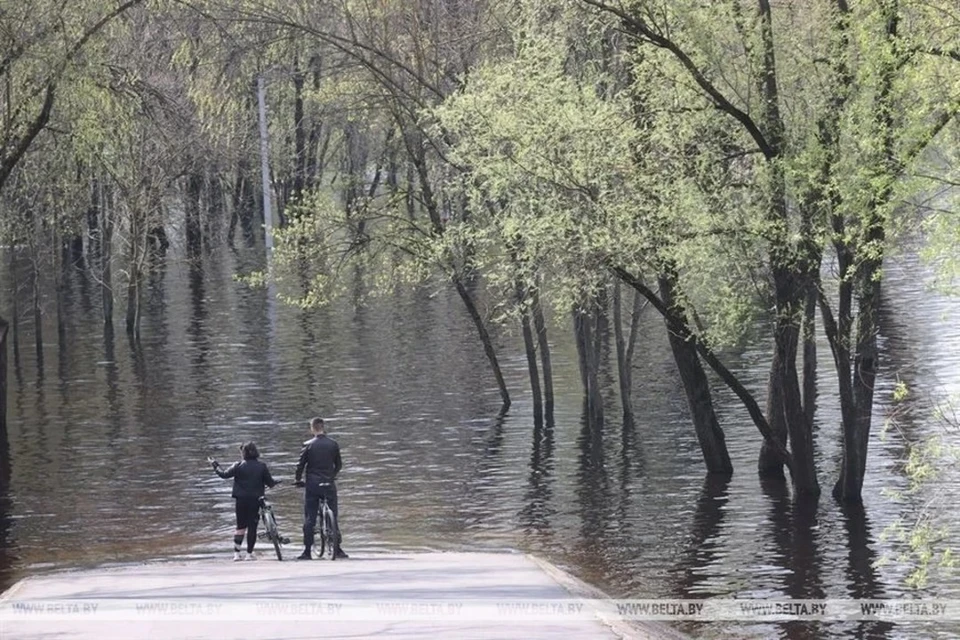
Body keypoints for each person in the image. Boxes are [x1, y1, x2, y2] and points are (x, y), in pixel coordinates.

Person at [209, 442, 279, 561]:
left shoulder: (238, 465)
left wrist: (215, 465)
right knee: (252, 527)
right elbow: (270, 483)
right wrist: (275, 483)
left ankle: (236, 554)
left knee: (240, 526)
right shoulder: (262, 466)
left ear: (243, 453)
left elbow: (223, 475)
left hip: (241, 500)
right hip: (255, 500)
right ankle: (249, 554)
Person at [294, 417, 347, 559]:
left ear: (312, 429)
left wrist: (298, 480)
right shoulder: (333, 444)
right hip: (328, 483)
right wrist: (332, 475)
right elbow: (339, 465)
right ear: (323, 427)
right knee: (333, 515)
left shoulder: (308, 445)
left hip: (312, 484)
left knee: (310, 517)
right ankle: (338, 548)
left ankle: (307, 551)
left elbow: (300, 466)